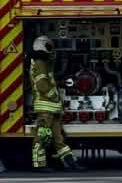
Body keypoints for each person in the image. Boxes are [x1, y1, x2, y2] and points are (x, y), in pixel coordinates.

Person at [29, 36, 84, 172]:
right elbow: (42, 84)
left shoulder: (43, 63)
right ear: (43, 46)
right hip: (46, 108)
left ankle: (70, 163)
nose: (51, 50)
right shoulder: (39, 63)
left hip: (52, 109)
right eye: (49, 47)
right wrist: (54, 96)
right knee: (42, 137)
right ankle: (39, 165)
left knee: (59, 139)